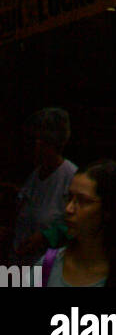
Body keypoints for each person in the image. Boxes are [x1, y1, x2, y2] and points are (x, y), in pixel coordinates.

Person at [40, 160, 116, 287]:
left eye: (82, 201)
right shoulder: (48, 265)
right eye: (69, 198)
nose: (69, 209)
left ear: (108, 210)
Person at [11, 107, 76, 265]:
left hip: (48, 270)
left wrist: (46, 237)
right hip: (19, 267)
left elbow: (79, 229)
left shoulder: (72, 178)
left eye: (35, 139)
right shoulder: (35, 175)